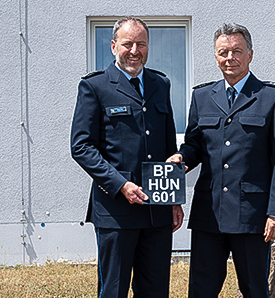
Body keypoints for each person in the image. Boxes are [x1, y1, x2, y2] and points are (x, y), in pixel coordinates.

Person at [166, 23, 275, 298]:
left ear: (250, 54)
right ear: (215, 57)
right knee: (201, 289)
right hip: (208, 214)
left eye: (237, 51)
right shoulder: (202, 97)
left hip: (252, 215)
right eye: (223, 52)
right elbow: (195, 146)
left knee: (254, 289)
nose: (230, 58)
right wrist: (182, 157)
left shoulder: (272, 97)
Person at [70, 16, 183, 298]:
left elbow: (170, 144)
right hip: (116, 212)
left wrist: (174, 200)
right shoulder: (95, 87)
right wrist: (120, 184)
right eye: (127, 44)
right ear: (113, 46)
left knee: (155, 290)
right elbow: (81, 146)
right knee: (114, 290)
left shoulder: (161, 83)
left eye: (141, 44)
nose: (135, 51)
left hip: (157, 211)